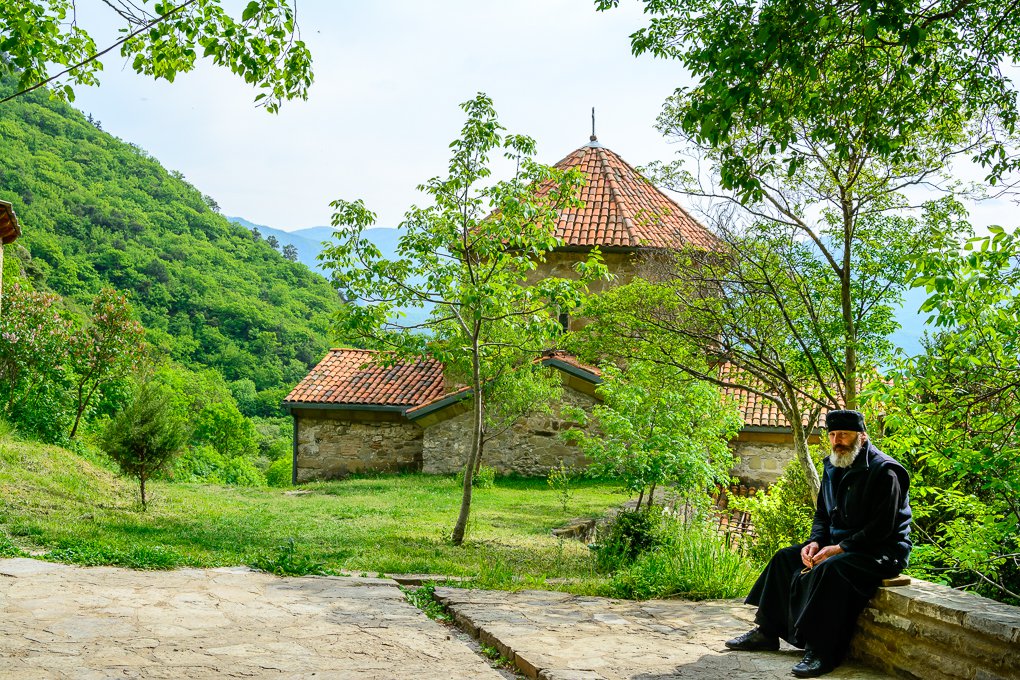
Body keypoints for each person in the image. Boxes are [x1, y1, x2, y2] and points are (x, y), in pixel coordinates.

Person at [725, 410, 912, 678]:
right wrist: (815, 542)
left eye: (844, 435)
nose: (838, 441)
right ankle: (767, 632)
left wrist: (840, 548)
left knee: (830, 569)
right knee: (785, 557)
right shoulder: (832, 465)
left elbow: (882, 528)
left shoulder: (885, 471)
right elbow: (823, 514)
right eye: (833, 435)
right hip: (840, 544)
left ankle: (822, 651)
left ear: (862, 436)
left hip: (882, 551)